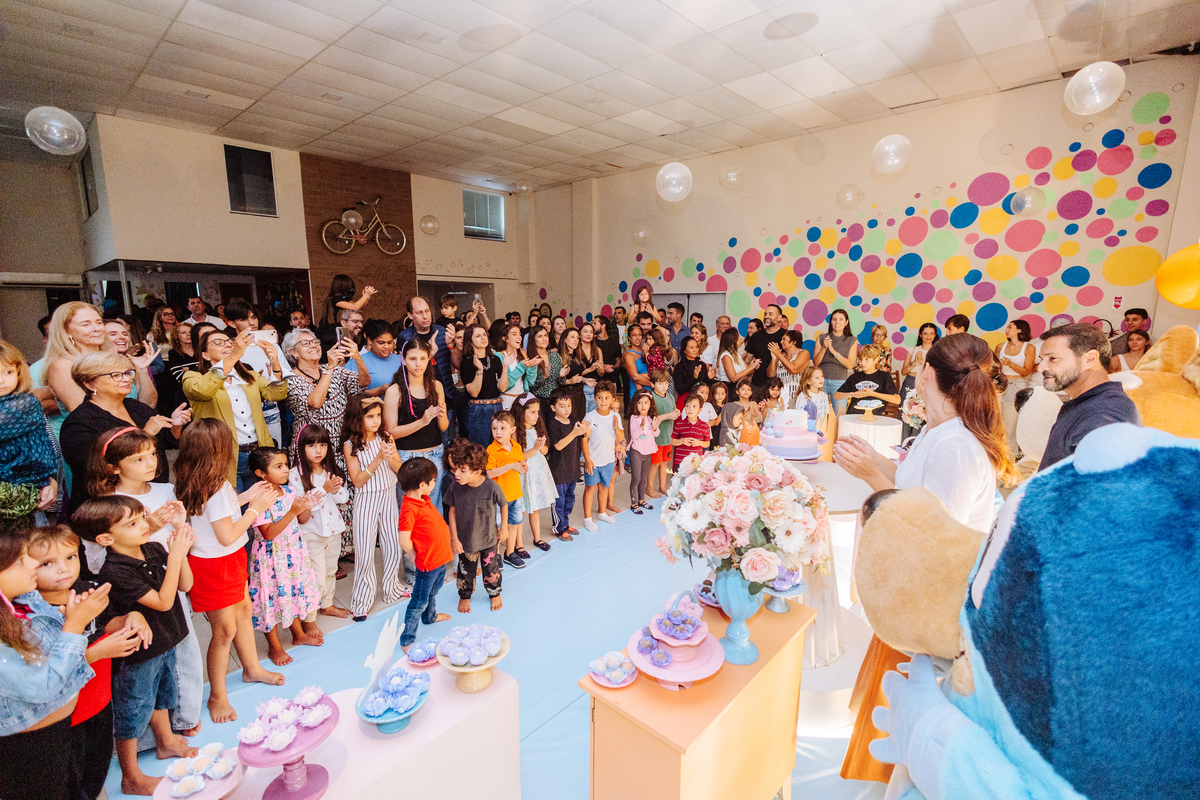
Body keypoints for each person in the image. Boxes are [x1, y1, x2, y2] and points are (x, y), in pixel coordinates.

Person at [833, 333, 1017, 784]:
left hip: (927, 606)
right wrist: (878, 459)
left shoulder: (956, 445)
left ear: (928, 373)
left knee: (899, 720)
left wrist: (870, 475)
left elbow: (930, 537)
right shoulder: (942, 432)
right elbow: (917, 489)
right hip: (911, 595)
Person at [72, 495, 196, 794]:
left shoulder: (153, 548)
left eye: (142, 517)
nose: (144, 525)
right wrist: (176, 555)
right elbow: (164, 602)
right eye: (132, 523)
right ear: (105, 538)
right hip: (139, 651)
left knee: (163, 692)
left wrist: (180, 550)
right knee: (133, 707)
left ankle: (165, 741)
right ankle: (130, 776)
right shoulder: (115, 570)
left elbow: (185, 585)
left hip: (165, 638)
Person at [85, 427, 203, 738]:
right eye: (139, 459)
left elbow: (177, 545)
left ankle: (186, 715)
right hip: (137, 596)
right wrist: (151, 526)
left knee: (183, 652)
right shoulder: (107, 504)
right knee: (144, 674)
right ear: (114, 467)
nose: (150, 462)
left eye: (152, 454)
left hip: (170, 574)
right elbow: (99, 562)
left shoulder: (165, 489)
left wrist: (179, 531)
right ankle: (148, 740)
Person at [28, 525, 150, 800]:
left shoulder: (87, 589)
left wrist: (132, 617)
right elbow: (46, 671)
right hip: (65, 717)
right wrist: (98, 652)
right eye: (48, 563)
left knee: (96, 772)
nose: (64, 569)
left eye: (70, 557)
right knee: (74, 783)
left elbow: (108, 624)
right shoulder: (34, 614)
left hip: (100, 702)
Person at [174, 420, 282, 723]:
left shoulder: (193, 479)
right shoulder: (217, 485)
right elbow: (227, 534)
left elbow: (217, 512)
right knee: (224, 631)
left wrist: (246, 498)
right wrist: (255, 508)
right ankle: (217, 696)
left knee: (244, 610)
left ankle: (252, 668)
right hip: (216, 563)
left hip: (222, 560)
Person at [0, 531, 107, 800]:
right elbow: (41, 687)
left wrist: (74, 618)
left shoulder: (24, 601)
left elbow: (57, 653)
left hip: (55, 735)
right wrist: (74, 625)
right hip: (26, 751)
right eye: (20, 561)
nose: (34, 564)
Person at [61, 351, 188, 513]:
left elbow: (166, 442)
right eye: (116, 375)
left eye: (128, 373)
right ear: (89, 383)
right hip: (109, 509)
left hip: (151, 497)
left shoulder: (136, 408)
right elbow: (94, 468)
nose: (126, 379)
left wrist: (175, 425)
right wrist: (146, 433)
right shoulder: (79, 422)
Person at [183, 327, 289, 491]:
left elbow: (276, 394)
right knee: (233, 508)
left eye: (229, 342)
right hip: (222, 456)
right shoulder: (193, 377)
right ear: (205, 354)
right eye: (218, 342)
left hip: (257, 453)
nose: (226, 345)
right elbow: (203, 390)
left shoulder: (249, 375)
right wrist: (234, 355)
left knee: (262, 508)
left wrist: (275, 363)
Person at [246, 447, 322, 666]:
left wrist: (305, 505)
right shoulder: (259, 499)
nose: (285, 470)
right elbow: (268, 534)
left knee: (292, 593)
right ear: (261, 473)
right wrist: (292, 512)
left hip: (293, 553)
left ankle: (298, 634)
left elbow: (302, 519)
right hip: (270, 560)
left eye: (286, 464)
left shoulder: (289, 491)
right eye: (278, 466)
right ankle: (274, 647)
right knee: (272, 599)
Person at [1037, 323, 1141, 470]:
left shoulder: (1105, 412)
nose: (1041, 367)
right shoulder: (1091, 403)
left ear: (1090, 359)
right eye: (1041, 359)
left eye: (1053, 358)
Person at [344, 396, 406, 620]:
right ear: (357, 418)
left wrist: (390, 458)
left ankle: (392, 589)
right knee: (365, 551)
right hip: (366, 499)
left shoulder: (386, 436)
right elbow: (358, 481)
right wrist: (379, 458)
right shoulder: (350, 445)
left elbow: (399, 468)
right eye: (370, 416)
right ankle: (362, 601)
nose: (376, 421)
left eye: (378, 416)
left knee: (392, 545)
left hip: (389, 494)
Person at [386, 457, 453, 649]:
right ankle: (407, 639)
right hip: (428, 562)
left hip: (440, 559)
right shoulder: (408, 508)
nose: (434, 483)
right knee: (419, 601)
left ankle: (430, 617)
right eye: (432, 481)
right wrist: (413, 553)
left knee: (435, 590)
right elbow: (403, 539)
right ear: (422, 485)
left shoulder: (423, 498)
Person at [289, 424, 351, 621]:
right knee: (316, 575)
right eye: (312, 446)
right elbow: (304, 507)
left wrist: (334, 488)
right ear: (301, 448)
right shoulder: (295, 474)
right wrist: (324, 489)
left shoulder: (330, 469)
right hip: (311, 532)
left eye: (322, 445)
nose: (318, 451)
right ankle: (309, 618)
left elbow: (343, 498)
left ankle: (327, 604)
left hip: (333, 529)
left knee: (331, 570)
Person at [225, 300, 301, 447]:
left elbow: (287, 376)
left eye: (253, 317)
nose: (251, 322)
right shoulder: (229, 349)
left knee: (272, 453)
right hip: (241, 409)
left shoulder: (270, 346)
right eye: (243, 319)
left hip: (270, 406)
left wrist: (274, 372)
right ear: (232, 323)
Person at [0, 341, 58, 527]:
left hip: (24, 485)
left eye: (8, 372)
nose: (2, 380)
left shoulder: (22, 403)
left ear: (18, 372)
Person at [445, 439, 507, 613]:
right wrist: (454, 538)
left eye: (462, 470)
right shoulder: (455, 487)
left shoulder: (491, 487)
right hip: (466, 541)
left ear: (477, 471)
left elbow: (503, 504)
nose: (456, 473)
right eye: (455, 468)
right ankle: (464, 596)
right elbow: (451, 511)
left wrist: (505, 528)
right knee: (465, 571)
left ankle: (494, 593)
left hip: (489, 539)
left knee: (491, 569)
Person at [398, 296, 458, 444]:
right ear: (410, 315)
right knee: (425, 442)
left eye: (427, 311)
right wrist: (429, 353)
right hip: (418, 400)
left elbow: (456, 363)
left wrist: (452, 345)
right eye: (419, 312)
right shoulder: (405, 338)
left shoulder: (442, 331)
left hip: (445, 396)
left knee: (447, 443)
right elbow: (405, 371)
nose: (425, 316)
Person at [40, 302, 110, 424]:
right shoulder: (63, 366)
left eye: (99, 322)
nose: (97, 328)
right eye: (86, 324)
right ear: (66, 331)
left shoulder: (111, 358)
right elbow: (87, 415)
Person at [485, 410, 528, 568]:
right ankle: (495, 555)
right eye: (494, 428)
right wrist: (510, 465)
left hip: (515, 494)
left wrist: (523, 466)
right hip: (498, 498)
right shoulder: (491, 450)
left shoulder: (516, 446)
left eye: (502, 428)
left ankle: (509, 553)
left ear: (512, 430)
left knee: (513, 525)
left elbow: (520, 462)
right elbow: (489, 473)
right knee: (497, 528)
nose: (498, 432)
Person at [514, 394, 555, 553]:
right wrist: (535, 448)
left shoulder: (537, 429)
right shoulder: (516, 431)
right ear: (521, 411)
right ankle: (518, 544)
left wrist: (541, 445)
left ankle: (537, 538)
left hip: (536, 473)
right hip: (524, 474)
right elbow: (518, 457)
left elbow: (544, 451)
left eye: (538, 412)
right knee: (521, 510)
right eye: (532, 412)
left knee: (535, 507)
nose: (537, 416)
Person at [581, 381, 624, 531]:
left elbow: (620, 437)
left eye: (607, 398)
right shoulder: (590, 416)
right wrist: (587, 460)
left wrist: (616, 427)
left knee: (604, 487)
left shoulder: (615, 415)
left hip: (608, 460)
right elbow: (584, 439)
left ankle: (602, 512)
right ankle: (587, 518)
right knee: (590, 489)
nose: (603, 401)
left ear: (612, 399)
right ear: (594, 398)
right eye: (600, 398)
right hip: (593, 461)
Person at [545, 388, 587, 541]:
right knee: (559, 501)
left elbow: (584, 436)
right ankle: (558, 527)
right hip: (558, 470)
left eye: (569, 405)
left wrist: (586, 429)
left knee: (570, 499)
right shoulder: (552, 423)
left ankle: (565, 523)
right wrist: (575, 433)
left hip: (572, 468)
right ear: (553, 407)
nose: (567, 409)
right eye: (562, 406)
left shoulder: (574, 419)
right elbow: (558, 446)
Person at [995, 320, 1038, 457]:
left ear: (1020, 330)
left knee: (1010, 424)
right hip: (999, 384)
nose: (1006, 329)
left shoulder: (1029, 348)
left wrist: (1010, 364)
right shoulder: (1000, 346)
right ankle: (997, 455)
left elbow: (1027, 371)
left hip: (1017, 384)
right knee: (996, 421)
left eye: (1010, 327)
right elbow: (994, 367)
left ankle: (1010, 457)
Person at [460, 323, 508, 446]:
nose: (483, 338)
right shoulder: (467, 363)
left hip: (497, 406)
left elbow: (502, 387)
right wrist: (479, 370)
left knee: (499, 446)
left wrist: (506, 366)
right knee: (480, 449)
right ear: (470, 341)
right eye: (478, 336)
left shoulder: (495, 359)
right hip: (479, 409)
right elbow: (474, 392)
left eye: (484, 335)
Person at [103, 317, 160, 407]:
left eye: (125, 334)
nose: (122, 337)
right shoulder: (93, 367)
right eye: (113, 334)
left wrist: (142, 370)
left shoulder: (132, 364)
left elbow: (149, 405)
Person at [814, 309, 859, 414]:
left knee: (839, 414)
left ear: (846, 322)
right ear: (831, 322)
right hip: (820, 380)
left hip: (840, 381)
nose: (837, 322)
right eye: (834, 319)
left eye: (841, 319)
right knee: (818, 413)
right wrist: (824, 348)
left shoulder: (852, 340)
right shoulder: (821, 338)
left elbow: (850, 365)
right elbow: (816, 363)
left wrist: (834, 352)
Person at [835, 344, 901, 415]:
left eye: (867, 359)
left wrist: (872, 393)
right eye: (860, 359)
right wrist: (853, 394)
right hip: (853, 416)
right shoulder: (854, 377)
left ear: (875, 360)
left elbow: (897, 400)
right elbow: (836, 395)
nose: (862, 363)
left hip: (874, 418)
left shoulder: (884, 377)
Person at [627, 390, 663, 514]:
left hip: (648, 452)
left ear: (650, 404)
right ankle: (634, 503)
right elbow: (634, 435)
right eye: (640, 403)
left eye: (646, 403)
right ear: (635, 404)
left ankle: (641, 500)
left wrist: (654, 426)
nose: (643, 406)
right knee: (636, 478)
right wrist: (641, 427)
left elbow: (657, 434)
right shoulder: (634, 418)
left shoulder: (650, 418)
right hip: (637, 451)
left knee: (643, 478)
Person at [648, 369, 680, 498]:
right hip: (656, 438)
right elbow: (651, 419)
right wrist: (668, 415)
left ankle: (662, 486)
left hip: (667, 436)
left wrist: (676, 413)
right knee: (654, 464)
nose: (664, 386)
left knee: (665, 463)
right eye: (660, 383)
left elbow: (672, 413)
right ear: (652, 384)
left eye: (666, 383)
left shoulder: (671, 397)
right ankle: (649, 487)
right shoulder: (651, 397)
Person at [495, 322, 539, 411]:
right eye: (514, 334)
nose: (519, 337)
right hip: (507, 401)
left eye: (519, 334)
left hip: (522, 400)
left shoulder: (522, 353)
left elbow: (530, 382)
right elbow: (504, 387)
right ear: (505, 339)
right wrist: (522, 367)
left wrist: (533, 367)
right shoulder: (498, 356)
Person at [796, 365, 836, 460]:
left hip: (821, 431)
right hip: (808, 433)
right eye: (817, 378)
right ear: (808, 381)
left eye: (821, 376)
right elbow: (798, 416)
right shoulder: (803, 396)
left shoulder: (823, 395)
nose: (821, 379)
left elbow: (826, 412)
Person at [745, 304, 787, 387]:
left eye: (770, 314)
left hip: (779, 387)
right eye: (765, 314)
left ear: (779, 318)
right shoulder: (756, 336)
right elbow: (748, 360)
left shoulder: (786, 336)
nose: (766, 316)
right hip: (757, 385)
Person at [769, 329, 809, 408]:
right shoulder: (781, 355)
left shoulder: (804, 353)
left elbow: (793, 369)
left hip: (798, 396)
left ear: (793, 342)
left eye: (784, 339)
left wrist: (778, 353)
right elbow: (771, 375)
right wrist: (774, 359)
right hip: (781, 396)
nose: (781, 342)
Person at [671, 393, 710, 470]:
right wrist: (682, 441)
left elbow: (707, 443)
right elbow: (673, 441)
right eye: (687, 406)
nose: (690, 409)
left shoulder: (704, 426)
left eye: (694, 406)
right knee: (679, 482)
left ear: (700, 409)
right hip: (680, 463)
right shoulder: (679, 424)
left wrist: (699, 443)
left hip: (695, 464)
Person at [673, 336, 711, 408]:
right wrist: (694, 377)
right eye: (691, 348)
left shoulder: (701, 364)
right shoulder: (679, 367)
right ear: (685, 350)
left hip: (701, 400)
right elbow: (680, 389)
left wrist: (710, 378)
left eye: (696, 347)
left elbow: (705, 384)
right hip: (685, 401)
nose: (695, 350)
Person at [527, 326, 561, 405]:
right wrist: (544, 376)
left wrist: (561, 376)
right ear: (533, 339)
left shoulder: (554, 356)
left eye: (545, 335)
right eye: (540, 336)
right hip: (537, 401)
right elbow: (529, 386)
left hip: (555, 401)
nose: (544, 339)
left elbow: (560, 383)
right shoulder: (530, 358)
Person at [717, 378, 755, 447]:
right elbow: (737, 446)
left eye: (741, 418)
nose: (741, 421)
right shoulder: (727, 433)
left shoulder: (733, 430)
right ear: (729, 417)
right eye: (739, 418)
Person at [622, 324, 652, 404]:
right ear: (629, 338)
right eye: (634, 335)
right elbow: (635, 377)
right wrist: (652, 384)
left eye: (639, 335)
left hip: (652, 393)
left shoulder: (646, 351)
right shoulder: (629, 355)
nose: (637, 337)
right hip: (637, 395)